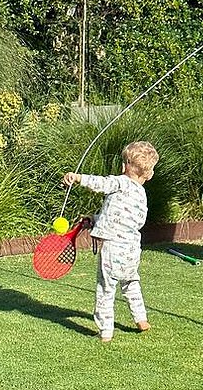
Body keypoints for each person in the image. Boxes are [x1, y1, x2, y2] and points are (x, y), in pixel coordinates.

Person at [62, 140, 159, 342]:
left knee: (106, 288)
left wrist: (78, 178)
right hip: (132, 248)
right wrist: (95, 220)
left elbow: (102, 183)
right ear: (148, 174)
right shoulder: (141, 194)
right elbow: (121, 217)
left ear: (124, 167)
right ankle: (141, 319)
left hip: (113, 248)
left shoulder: (121, 182)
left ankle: (105, 331)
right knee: (131, 282)